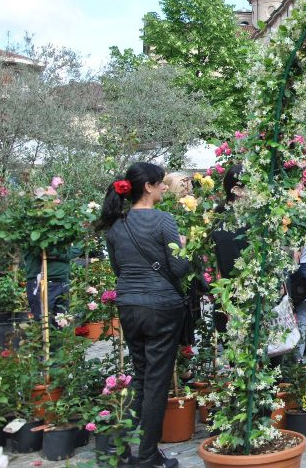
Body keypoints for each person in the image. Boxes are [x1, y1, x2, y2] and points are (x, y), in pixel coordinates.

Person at [96, 162, 190, 468]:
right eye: (160, 182)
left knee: (140, 376)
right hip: (161, 307)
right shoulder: (164, 221)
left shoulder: (116, 225)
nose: (165, 187)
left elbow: (118, 270)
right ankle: (147, 455)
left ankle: (122, 448)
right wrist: (186, 250)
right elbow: (178, 269)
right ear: (148, 187)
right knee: (156, 382)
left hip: (129, 306)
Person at [210, 164, 248, 334]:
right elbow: (232, 266)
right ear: (237, 190)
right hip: (239, 305)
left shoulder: (229, 218)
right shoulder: (227, 223)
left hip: (235, 302)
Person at [22, 244, 81, 321]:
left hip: (63, 282)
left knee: (62, 322)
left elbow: (78, 249)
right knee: (42, 321)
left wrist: (56, 254)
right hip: (41, 281)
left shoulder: (68, 234)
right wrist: (64, 253)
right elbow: (40, 249)